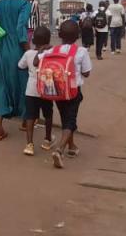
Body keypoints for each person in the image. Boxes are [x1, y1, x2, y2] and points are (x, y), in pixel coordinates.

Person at [35, 20, 92, 169]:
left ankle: (72, 147)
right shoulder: (81, 52)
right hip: (73, 91)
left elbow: (36, 63)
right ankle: (59, 150)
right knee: (70, 120)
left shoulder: (52, 50)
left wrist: (42, 49)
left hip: (56, 90)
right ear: (78, 36)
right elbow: (86, 73)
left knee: (65, 118)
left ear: (59, 34)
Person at [0, 0, 34, 141]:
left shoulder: (1, 3)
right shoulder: (24, 5)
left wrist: (3, 33)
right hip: (17, 51)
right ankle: (24, 122)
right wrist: (29, 52)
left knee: (1, 86)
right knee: (25, 84)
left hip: (1, 51)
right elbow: (22, 31)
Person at [19, 26, 55, 156]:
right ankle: (47, 140)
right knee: (48, 115)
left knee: (30, 116)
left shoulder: (28, 54)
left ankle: (29, 145)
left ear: (33, 40)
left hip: (31, 90)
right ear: (48, 40)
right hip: (47, 88)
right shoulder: (50, 53)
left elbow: (20, 65)